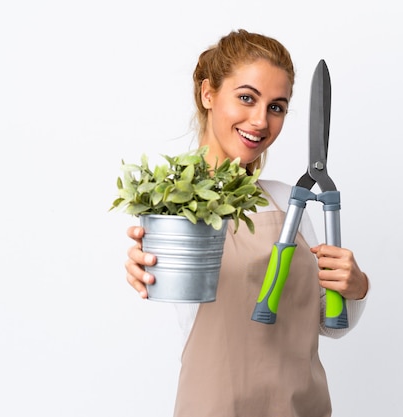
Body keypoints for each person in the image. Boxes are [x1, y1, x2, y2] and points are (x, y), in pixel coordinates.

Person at [124, 29, 369, 417]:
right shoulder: (171, 204)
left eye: (276, 107)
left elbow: (331, 325)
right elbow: (159, 281)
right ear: (208, 93)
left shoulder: (291, 203)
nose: (260, 120)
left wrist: (355, 287)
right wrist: (145, 264)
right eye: (246, 98)